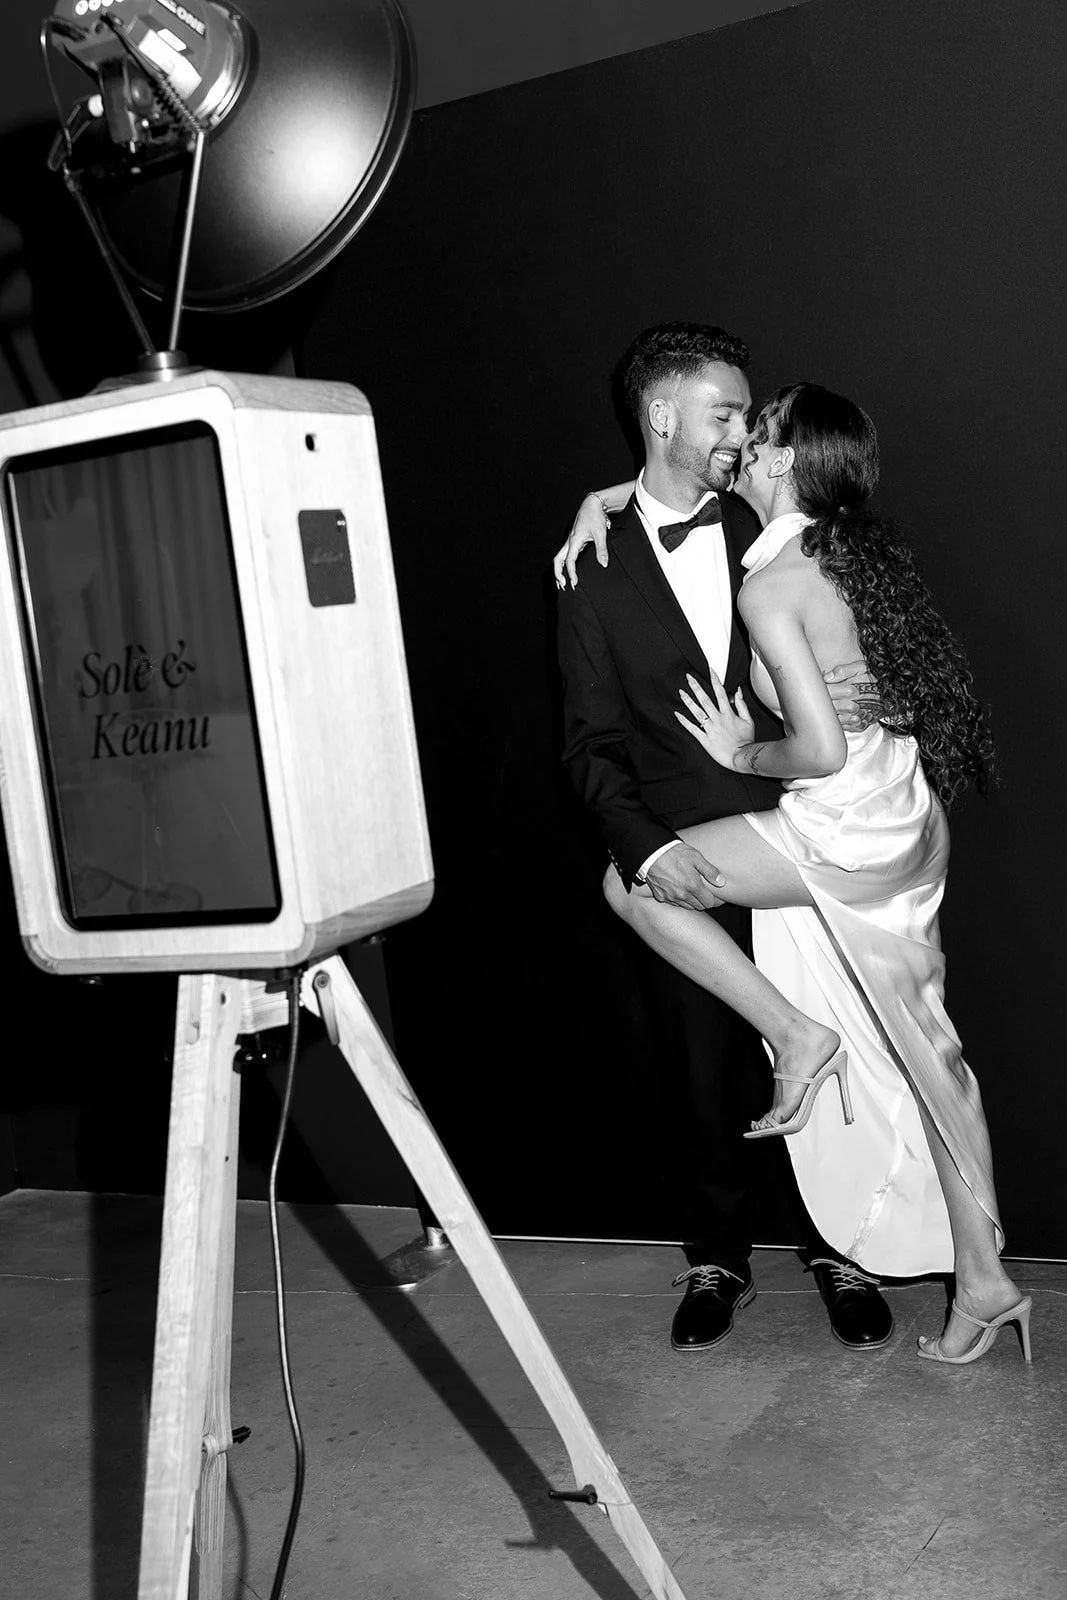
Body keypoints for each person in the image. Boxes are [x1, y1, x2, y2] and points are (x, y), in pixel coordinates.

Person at [561, 374, 1031, 1366]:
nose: (737, 437)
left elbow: (813, 749)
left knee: (626, 886)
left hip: (837, 828)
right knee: (926, 1055)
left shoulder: (767, 574)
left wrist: (747, 753)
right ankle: (983, 1280)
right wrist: (594, 502)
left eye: (751, 426)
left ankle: (794, 1034)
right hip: (895, 819)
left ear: (776, 458)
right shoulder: (844, 547)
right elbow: (865, 683)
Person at [556, 322, 895, 1357]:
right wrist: (647, 853)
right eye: (723, 412)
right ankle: (717, 1255)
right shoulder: (589, 560)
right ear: (661, 416)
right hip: (680, 847)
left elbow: (856, 646)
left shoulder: (774, 520)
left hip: (799, 829)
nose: (743, 432)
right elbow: (587, 744)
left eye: (749, 416)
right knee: (698, 1064)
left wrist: (875, 694)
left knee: (825, 1039)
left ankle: (846, 1248)